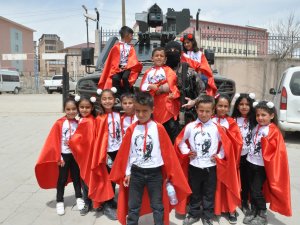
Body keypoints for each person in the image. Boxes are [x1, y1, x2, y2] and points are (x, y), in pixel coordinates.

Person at [109, 92, 191, 225]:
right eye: (138, 111)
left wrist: (170, 174)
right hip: (136, 173)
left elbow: (167, 153)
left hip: (155, 174)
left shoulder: (158, 128)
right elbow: (127, 153)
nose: (141, 114)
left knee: (157, 205)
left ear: (152, 109)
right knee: (133, 205)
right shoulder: (131, 129)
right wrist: (128, 172)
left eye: (144, 111)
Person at [175, 95, 240, 225]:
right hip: (194, 166)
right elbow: (180, 141)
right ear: (196, 110)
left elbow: (225, 145)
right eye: (201, 110)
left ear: (212, 111)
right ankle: (193, 213)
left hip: (211, 167)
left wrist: (219, 156)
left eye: (207, 111)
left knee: (209, 193)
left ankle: (207, 216)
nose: (204, 114)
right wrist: (187, 152)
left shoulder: (216, 128)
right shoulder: (190, 127)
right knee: (195, 192)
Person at [243, 101, 292, 225]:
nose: (260, 118)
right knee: (251, 189)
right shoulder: (257, 127)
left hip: (262, 166)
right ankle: (254, 210)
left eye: (263, 115)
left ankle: (262, 213)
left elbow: (276, 151)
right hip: (250, 162)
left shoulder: (273, 131)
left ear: (271, 116)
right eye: (258, 115)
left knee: (256, 190)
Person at [35, 98, 84, 216]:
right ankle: (60, 201)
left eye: (73, 109)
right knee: (61, 179)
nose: (71, 111)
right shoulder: (59, 123)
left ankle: (79, 197)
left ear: (77, 110)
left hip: (76, 156)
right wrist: (58, 157)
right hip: (64, 155)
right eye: (68, 109)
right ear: (64, 110)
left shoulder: (79, 123)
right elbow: (53, 141)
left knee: (77, 177)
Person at [69, 95, 112, 216]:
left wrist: (72, 142)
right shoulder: (82, 120)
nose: (84, 109)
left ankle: (93, 202)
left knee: (90, 179)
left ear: (92, 107)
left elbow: (87, 139)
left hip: (90, 156)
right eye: (81, 107)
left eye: (87, 107)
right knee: (85, 179)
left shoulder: (90, 121)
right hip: (83, 157)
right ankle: (88, 202)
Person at [91, 88, 123, 220]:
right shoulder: (99, 118)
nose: (107, 101)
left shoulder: (118, 114)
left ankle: (110, 199)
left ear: (114, 99)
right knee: (107, 177)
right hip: (107, 152)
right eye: (104, 99)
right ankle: (106, 204)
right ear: (100, 101)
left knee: (114, 176)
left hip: (118, 150)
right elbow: (97, 138)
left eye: (110, 98)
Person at [211, 94, 243, 224]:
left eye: (225, 106)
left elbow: (238, 142)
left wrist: (225, 132)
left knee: (228, 184)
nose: (222, 109)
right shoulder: (209, 119)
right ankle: (215, 208)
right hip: (211, 158)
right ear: (215, 106)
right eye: (220, 106)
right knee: (214, 185)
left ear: (229, 108)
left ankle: (231, 210)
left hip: (226, 159)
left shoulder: (231, 122)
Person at [140, 47, 181, 143]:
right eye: (156, 56)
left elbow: (172, 82)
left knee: (170, 129)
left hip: (166, 105)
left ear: (165, 59)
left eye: (161, 56)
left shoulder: (168, 70)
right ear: (152, 58)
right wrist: (151, 86)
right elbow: (143, 86)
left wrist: (158, 88)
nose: (159, 58)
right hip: (153, 104)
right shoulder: (148, 72)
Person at [98, 26, 142, 99]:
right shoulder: (116, 47)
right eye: (131, 35)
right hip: (118, 68)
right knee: (115, 78)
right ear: (126, 35)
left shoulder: (131, 48)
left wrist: (127, 67)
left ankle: (128, 94)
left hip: (128, 67)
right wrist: (118, 68)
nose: (132, 38)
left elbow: (132, 59)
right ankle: (117, 96)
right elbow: (113, 60)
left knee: (125, 78)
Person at [231, 93, 256, 214]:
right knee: (233, 180)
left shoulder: (255, 120)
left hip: (248, 156)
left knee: (246, 180)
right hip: (234, 156)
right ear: (236, 106)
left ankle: (245, 201)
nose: (244, 107)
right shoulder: (232, 120)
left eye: (247, 104)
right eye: (241, 104)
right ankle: (231, 202)